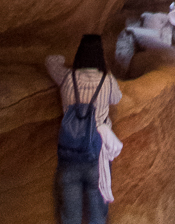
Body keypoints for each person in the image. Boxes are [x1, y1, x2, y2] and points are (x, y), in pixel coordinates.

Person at [46, 34, 122, 224]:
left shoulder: (67, 77)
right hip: (97, 155)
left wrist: (67, 59)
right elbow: (117, 98)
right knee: (98, 215)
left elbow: (50, 61)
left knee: (70, 217)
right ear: (100, 55)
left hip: (69, 154)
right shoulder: (107, 80)